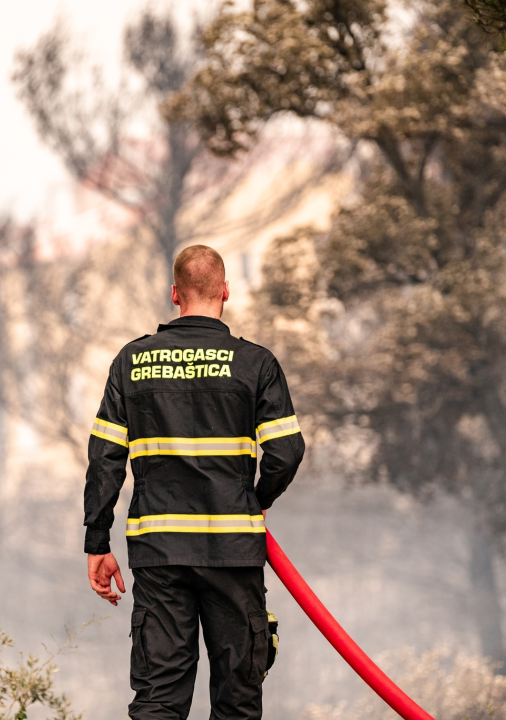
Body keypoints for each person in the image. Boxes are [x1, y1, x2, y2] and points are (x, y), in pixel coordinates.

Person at [83, 244, 304, 720]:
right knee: (237, 700)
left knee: (159, 699)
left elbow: (105, 458)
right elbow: (286, 453)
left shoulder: (131, 362)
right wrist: (256, 500)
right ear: (225, 290)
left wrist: (97, 541)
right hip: (233, 550)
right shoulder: (255, 364)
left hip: (159, 553)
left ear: (174, 294)